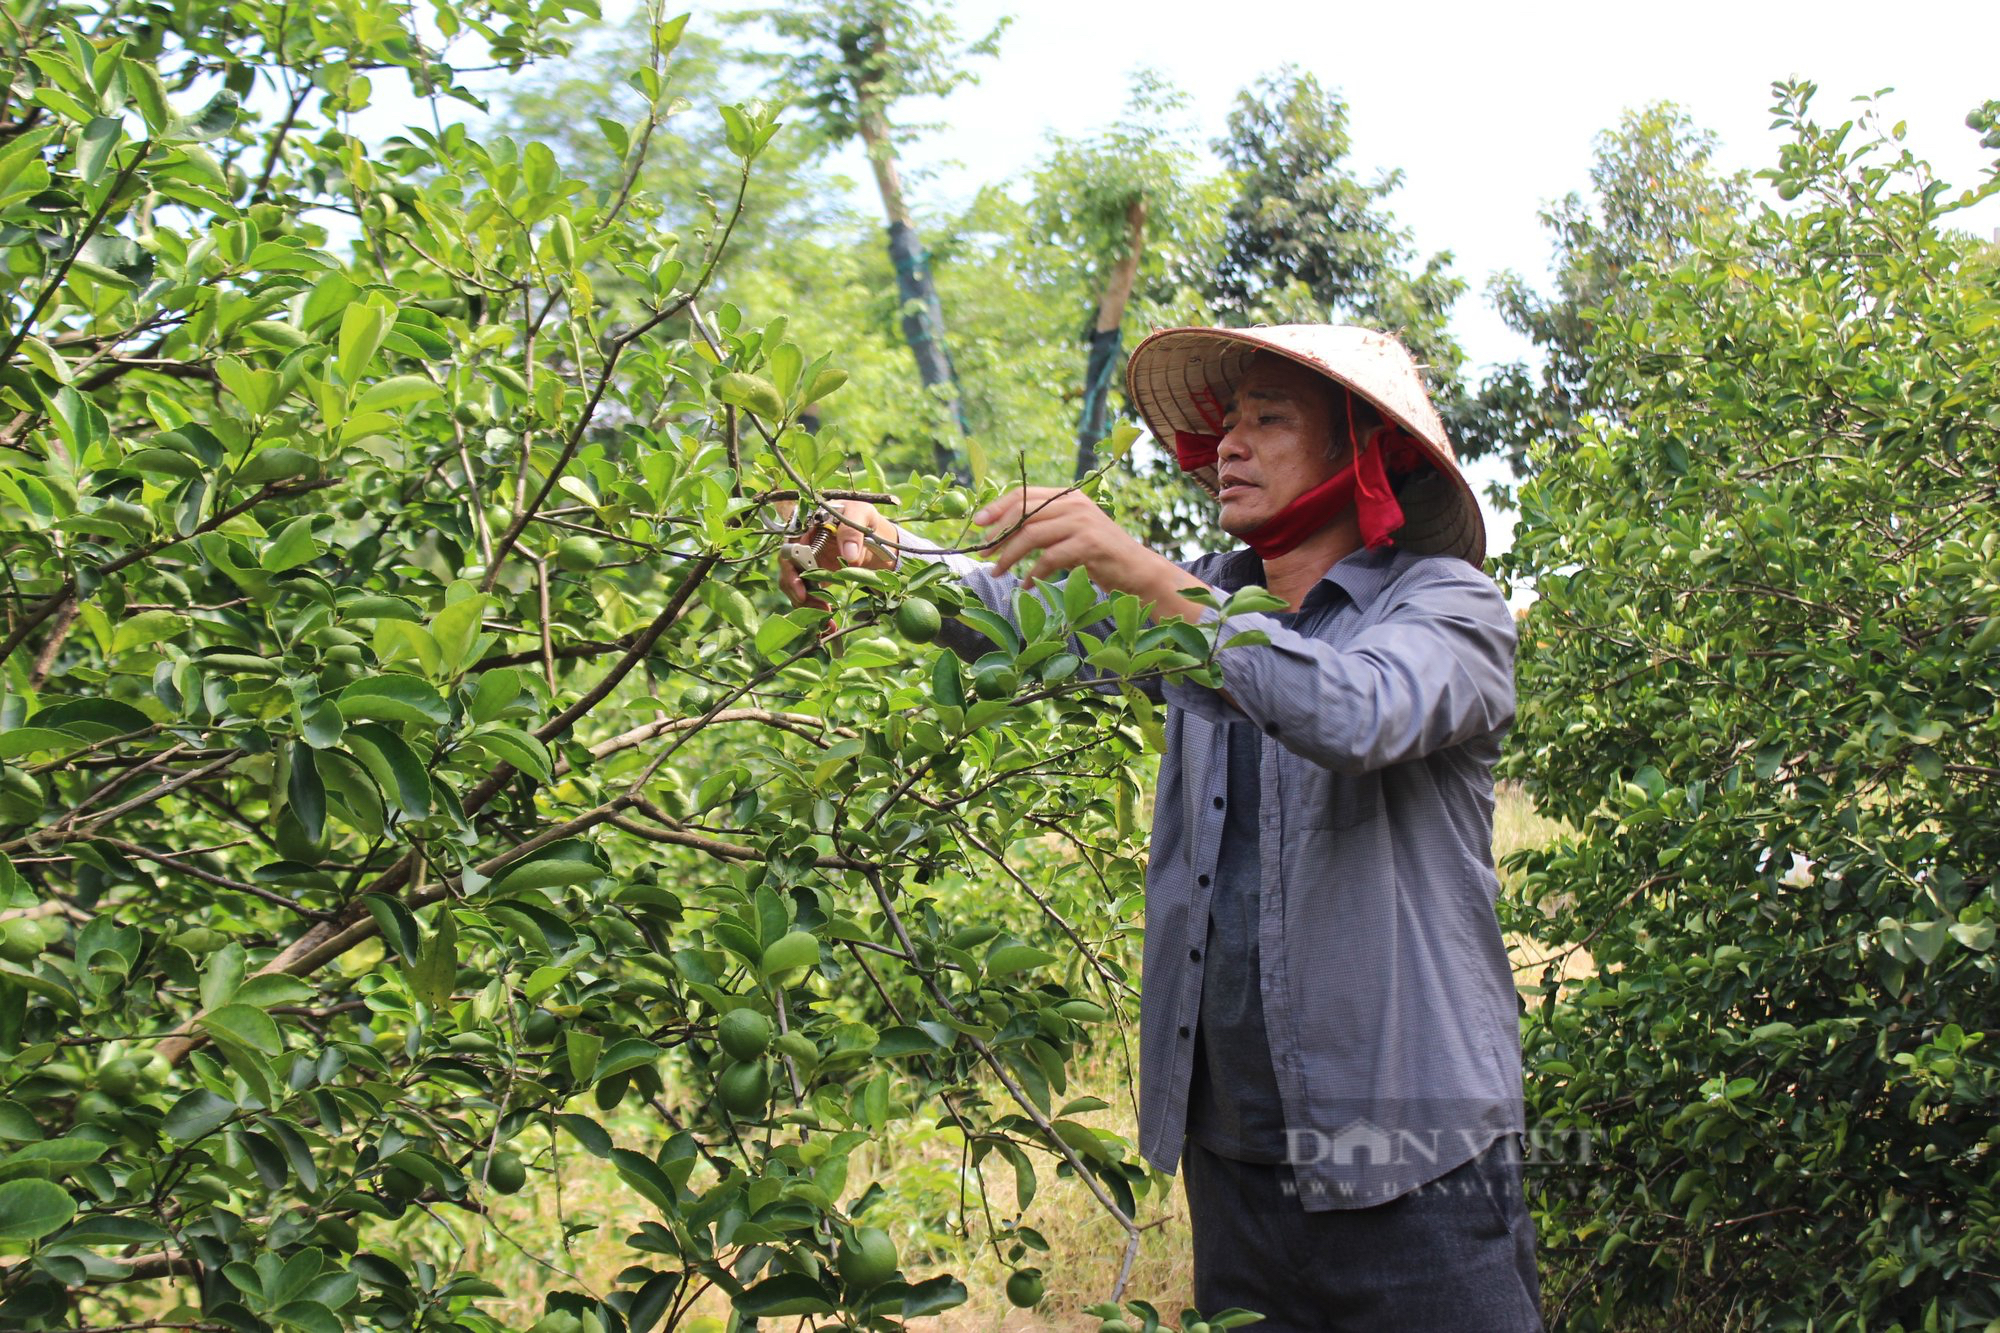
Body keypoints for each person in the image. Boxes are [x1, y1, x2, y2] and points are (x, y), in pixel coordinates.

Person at [779, 325, 1540, 1331]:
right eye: (1226, 424)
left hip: (1417, 1157)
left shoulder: (1449, 609)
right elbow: (1005, 617)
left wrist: (1145, 577)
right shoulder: (1201, 604)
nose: (1230, 445)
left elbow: (1355, 711)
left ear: (1361, 449)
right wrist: (874, 558)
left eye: (1269, 421)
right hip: (1236, 1161)